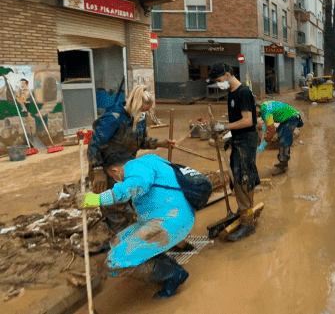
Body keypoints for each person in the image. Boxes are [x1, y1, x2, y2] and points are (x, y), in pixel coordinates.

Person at [76, 150, 194, 299]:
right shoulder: (149, 159)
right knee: (116, 242)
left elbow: (126, 190)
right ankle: (165, 263)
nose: (116, 179)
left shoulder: (136, 171)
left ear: (115, 171)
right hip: (170, 215)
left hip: (170, 221)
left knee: (115, 263)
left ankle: (174, 274)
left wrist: (95, 199)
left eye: (113, 177)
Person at [88, 85, 174, 233]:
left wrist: (159, 143)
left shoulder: (139, 119)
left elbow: (140, 141)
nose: (144, 114)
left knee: (131, 203)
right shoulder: (113, 118)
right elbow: (93, 146)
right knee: (116, 208)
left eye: (146, 111)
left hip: (124, 168)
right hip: (105, 169)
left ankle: (131, 237)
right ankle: (122, 245)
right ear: (135, 105)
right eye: (143, 110)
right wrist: (97, 171)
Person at [209, 62, 260, 242]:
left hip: (246, 142)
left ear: (228, 74)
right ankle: (244, 210)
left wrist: (225, 126)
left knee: (243, 179)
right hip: (239, 140)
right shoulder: (231, 93)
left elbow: (248, 121)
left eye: (219, 79)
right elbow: (239, 122)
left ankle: (248, 225)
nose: (218, 83)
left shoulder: (243, 92)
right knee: (236, 178)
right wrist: (229, 137)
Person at [256, 99, 303, 175]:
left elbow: (271, 132)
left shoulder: (265, 112)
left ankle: (283, 165)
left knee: (284, 140)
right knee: (280, 134)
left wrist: (263, 144)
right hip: (289, 116)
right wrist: (266, 125)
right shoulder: (264, 106)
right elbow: (271, 114)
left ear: (257, 108)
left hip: (291, 118)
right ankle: (283, 160)